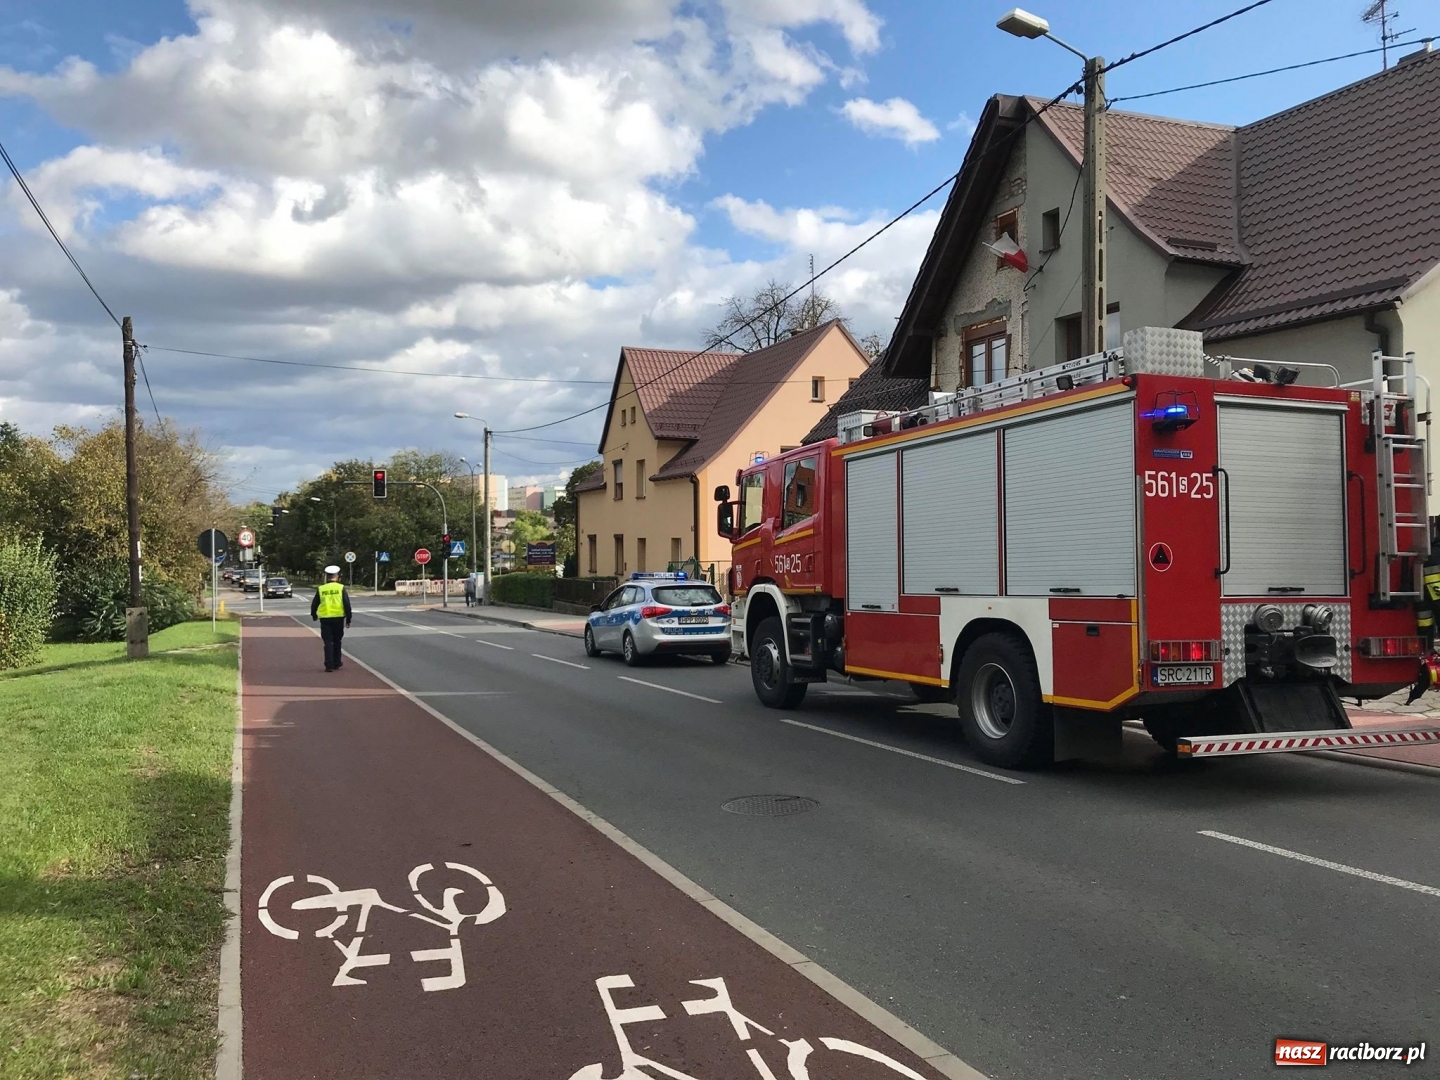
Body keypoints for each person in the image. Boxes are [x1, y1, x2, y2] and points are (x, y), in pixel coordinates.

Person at [311, 564, 353, 672]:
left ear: (327, 576)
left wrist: (314, 615)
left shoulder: (321, 589)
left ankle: (329, 665)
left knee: (328, 642)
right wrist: (348, 619)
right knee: (337, 641)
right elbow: (347, 604)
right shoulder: (341, 588)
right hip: (338, 618)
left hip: (325, 619)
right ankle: (337, 662)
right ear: (337, 576)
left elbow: (314, 603)